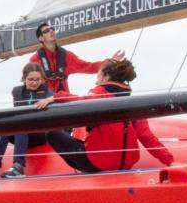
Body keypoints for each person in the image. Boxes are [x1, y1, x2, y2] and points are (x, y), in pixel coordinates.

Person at [32, 58, 175, 173]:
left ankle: (87, 173)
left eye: (98, 76)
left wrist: (55, 97)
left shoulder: (100, 93)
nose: (96, 81)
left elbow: (80, 102)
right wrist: (170, 161)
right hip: (126, 165)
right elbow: (147, 137)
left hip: (99, 164)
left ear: (106, 77)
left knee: (52, 134)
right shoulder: (133, 102)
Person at [0, 62, 55, 179]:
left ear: (42, 80)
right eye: (31, 79)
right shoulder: (17, 92)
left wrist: (50, 99)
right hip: (22, 135)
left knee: (21, 127)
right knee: (4, 129)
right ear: (24, 79)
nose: (34, 83)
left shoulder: (48, 93)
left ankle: (18, 166)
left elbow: (62, 97)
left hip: (39, 135)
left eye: (38, 79)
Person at [29, 21, 124, 94]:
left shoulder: (66, 56)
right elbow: (30, 84)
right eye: (46, 31)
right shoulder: (35, 59)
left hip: (62, 104)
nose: (51, 31)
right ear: (41, 38)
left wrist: (109, 62)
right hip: (44, 104)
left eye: (52, 29)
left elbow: (89, 67)